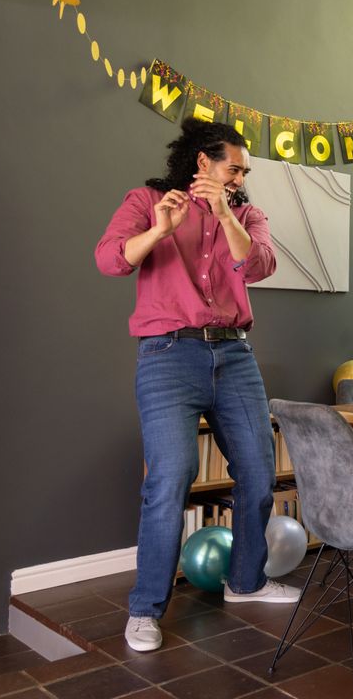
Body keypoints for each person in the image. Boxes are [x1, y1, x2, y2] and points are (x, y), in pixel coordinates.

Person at [95, 118, 299, 654]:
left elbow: (258, 265)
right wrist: (160, 230)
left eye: (245, 172)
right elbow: (110, 259)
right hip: (167, 355)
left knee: (258, 471)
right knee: (171, 477)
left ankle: (245, 582)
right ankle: (145, 609)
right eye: (234, 169)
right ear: (203, 161)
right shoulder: (147, 201)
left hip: (234, 354)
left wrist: (225, 212)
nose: (241, 178)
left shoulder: (247, 215)